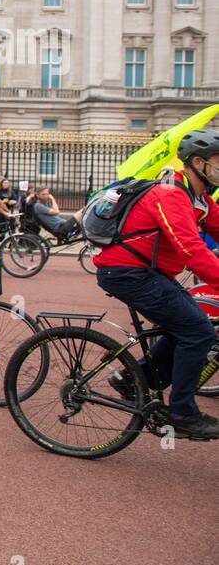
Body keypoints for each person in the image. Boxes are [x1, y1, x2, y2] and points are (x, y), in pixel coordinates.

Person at [94, 130, 219, 439]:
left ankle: (131, 379)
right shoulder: (172, 194)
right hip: (126, 273)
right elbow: (191, 249)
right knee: (199, 332)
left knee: (190, 326)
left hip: (151, 273)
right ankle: (182, 412)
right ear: (199, 163)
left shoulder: (200, 198)